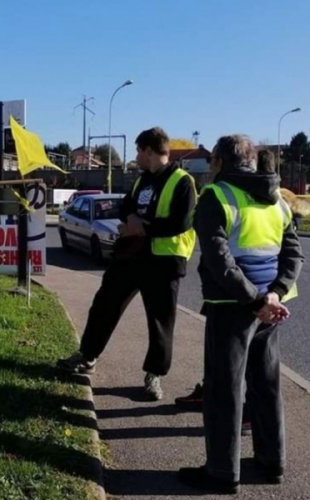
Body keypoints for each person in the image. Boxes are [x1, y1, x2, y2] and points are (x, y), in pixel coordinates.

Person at [178, 135, 303, 494]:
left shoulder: (216, 196)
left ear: (217, 162)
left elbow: (220, 261)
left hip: (232, 308)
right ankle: (272, 462)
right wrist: (274, 295)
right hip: (270, 310)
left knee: (224, 389)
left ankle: (221, 472)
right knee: (266, 386)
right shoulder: (276, 199)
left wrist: (255, 301)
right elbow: (293, 255)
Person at [57, 127, 197, 401]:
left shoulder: (183, 181)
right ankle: (87, 356)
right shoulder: (141, 180)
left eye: (138, 151)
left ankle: (154, 375)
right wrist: (131, 218)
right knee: (104, 304)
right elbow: (125, 206)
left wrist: (141, 228)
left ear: (148, 150)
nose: (136, 157)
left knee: (160, 321)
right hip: (132, 256)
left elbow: (182, 222)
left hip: (164, 261)